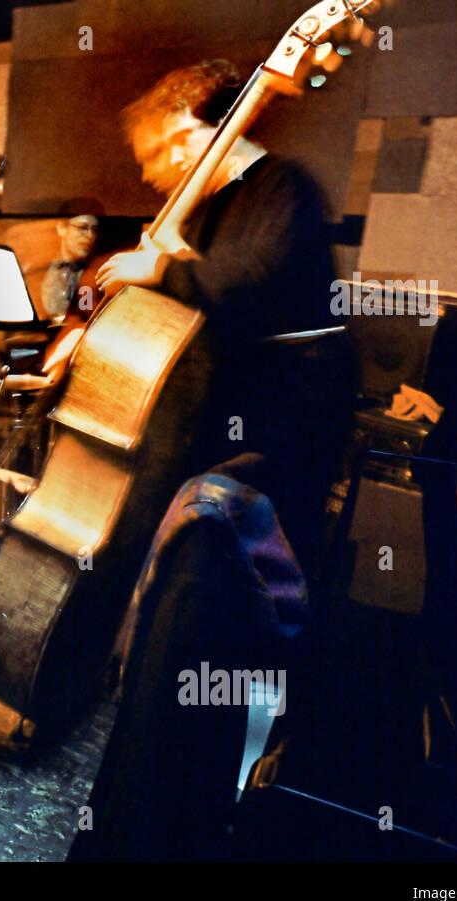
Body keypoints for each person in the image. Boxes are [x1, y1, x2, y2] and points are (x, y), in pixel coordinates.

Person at [96, 59, 354, 577]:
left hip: (288, 412)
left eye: (159, 150)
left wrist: (164, 268)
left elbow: (255, 280)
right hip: (233, 404)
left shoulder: (286, 185)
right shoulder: (210, 208)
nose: (153, 171)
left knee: (256, 563)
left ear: (200, 133)